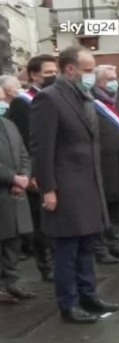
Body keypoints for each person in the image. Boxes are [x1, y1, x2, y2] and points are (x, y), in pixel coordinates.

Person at [30, 46, 119, 324]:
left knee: (86, 245)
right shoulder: (49, 98)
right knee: (67, 249)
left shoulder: (84, 96)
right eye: (89, 69)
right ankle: (68, 303)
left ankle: (88, 294)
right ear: (71, 69)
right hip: (65, 186)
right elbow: (42, 148)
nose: (91, 75)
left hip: (89, 182)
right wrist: (48, 188)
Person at [6, 54, 57, 283]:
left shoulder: (56, 96)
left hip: (57, 168)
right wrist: (32, 174)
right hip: (37, 174)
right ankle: (46, 265)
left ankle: (59, 260)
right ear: (34, 75)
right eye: (48, 72)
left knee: (57, 219)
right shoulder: (23, 101)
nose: (53, 76)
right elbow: (24, 141)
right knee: (42, 223)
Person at [91, 65, 119, 264]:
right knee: (103, 208)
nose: (113, 82)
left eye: (115, 78)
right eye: (109, 78)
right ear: (98, 81)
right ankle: (100, 249)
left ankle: (114, 243)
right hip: (104, 163)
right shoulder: (92, 102)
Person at [0, 86, 35, 303]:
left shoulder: (9, 124)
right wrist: (13, 178)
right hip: (4, 191)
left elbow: (24, 154)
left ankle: (12, 282)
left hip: (15, 194)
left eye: (4, 99)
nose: (3, 103)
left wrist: (23, 176)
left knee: (13, 240)